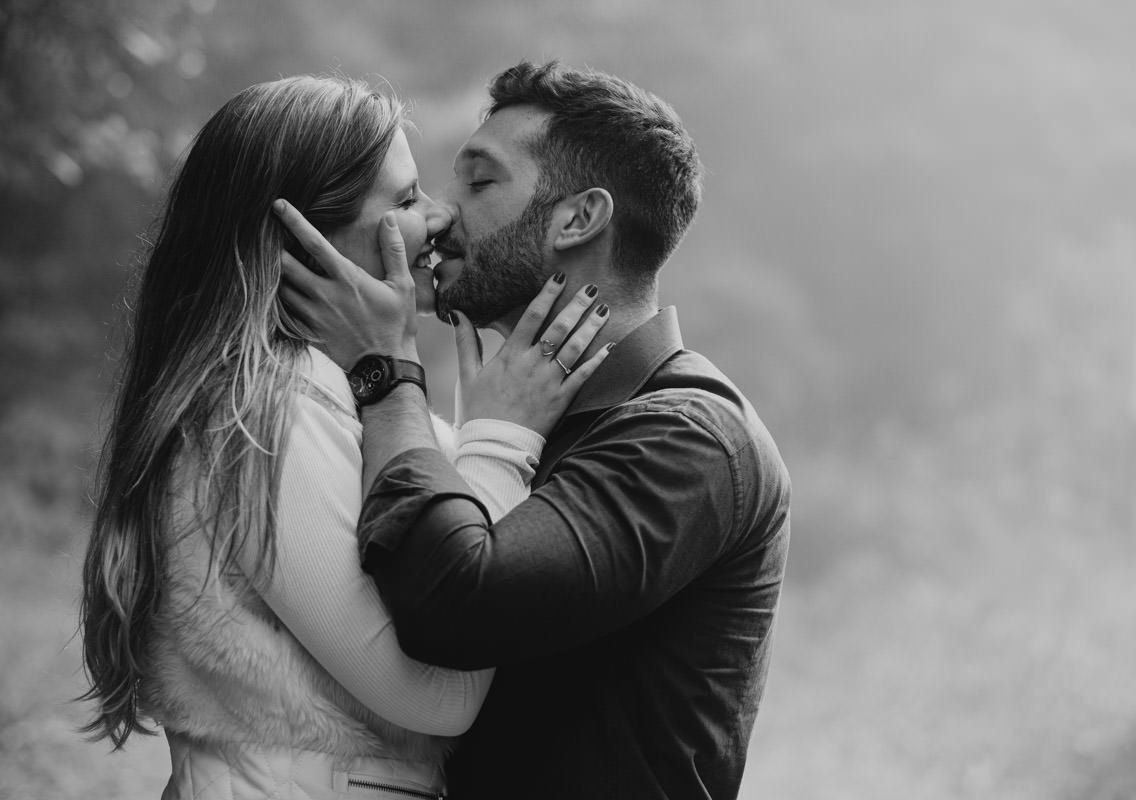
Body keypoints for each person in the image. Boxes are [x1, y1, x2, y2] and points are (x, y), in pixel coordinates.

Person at [78, 75, 611, 800]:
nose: (441, 218)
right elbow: (439, 697)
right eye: (403, 201)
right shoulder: (266, 411)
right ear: (302, 241)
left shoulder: (325, 395)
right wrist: (500, 438)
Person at [276, 61, 792, 799]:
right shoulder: (523, 417)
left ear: (579, 218)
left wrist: (385, 369)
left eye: (480, 183)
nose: (443, 215)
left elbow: (457, 608)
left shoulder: (690, 437)